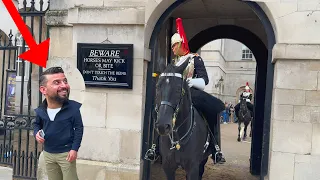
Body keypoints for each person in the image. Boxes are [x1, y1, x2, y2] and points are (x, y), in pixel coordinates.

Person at [170, 18, 226, 164]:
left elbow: (204, 80)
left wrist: (191, 82)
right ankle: (155, 146)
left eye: (174, 44)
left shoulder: (195, 59)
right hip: (176, 95)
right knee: (161, 109)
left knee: (212, 111)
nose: (172, 48)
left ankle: (216, 148)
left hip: (192, 94)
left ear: (181, 43)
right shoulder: (174, 63)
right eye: (171, 45)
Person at [33, 67, 84, 180]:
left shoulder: (73, 108)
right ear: (43, 90)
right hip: (48, 153)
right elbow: (36, 124)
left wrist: (74, 149)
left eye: (65, 81)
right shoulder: (41, 110)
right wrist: (36, 133)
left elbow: (79, 128)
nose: (64, 85)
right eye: (57, 82)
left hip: (66, 154)